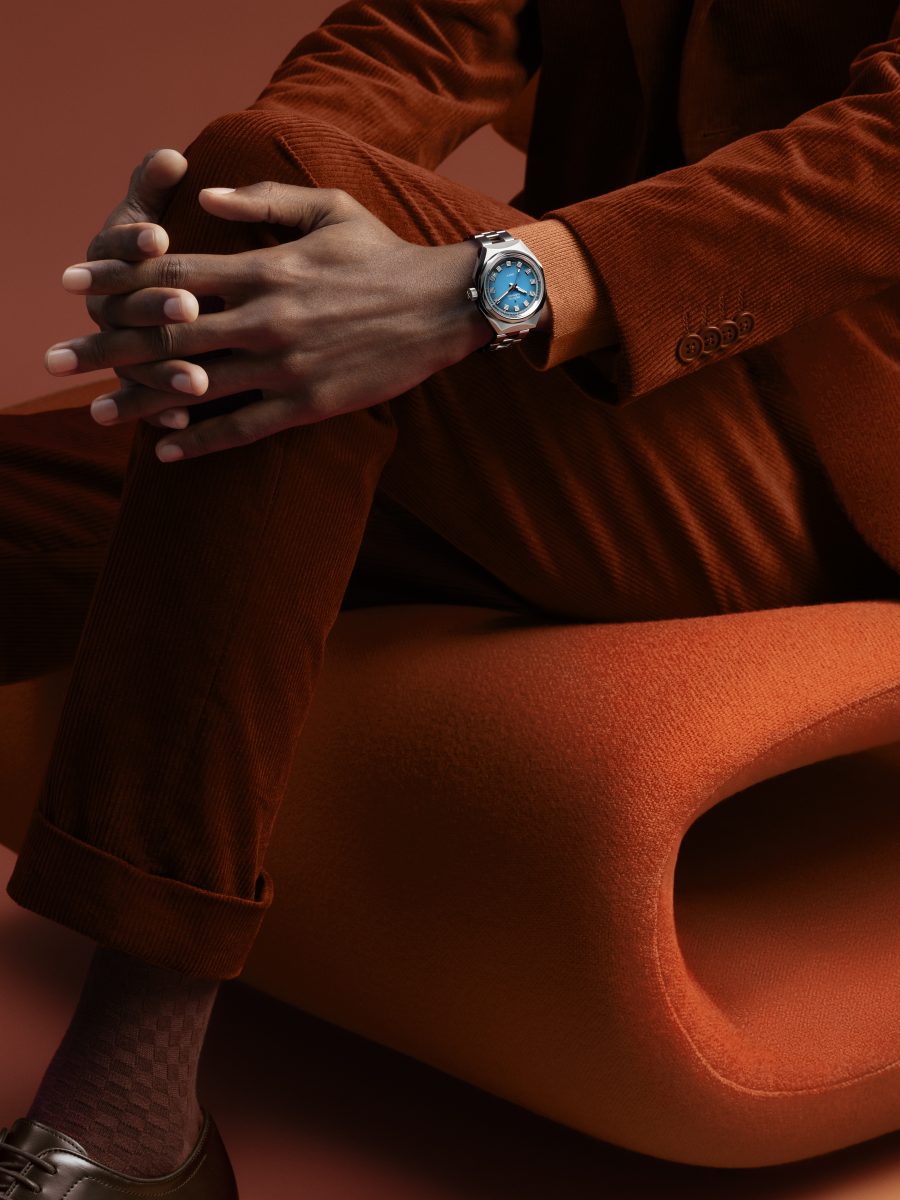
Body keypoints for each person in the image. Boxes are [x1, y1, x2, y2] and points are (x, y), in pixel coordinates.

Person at [2, 0, 899, 1194]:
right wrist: (212, 230)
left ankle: (126, 1111)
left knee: (278, 190)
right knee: (249, 221)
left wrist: (485, 289)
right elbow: (423, 27)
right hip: (546, 401)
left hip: (820, 453)